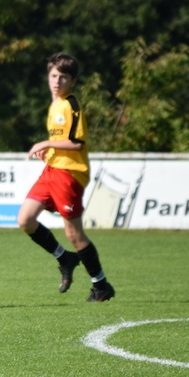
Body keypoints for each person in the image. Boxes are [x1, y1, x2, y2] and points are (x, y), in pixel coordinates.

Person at [17, 52, 116, 302]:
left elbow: (77, 143)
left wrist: (45, 143)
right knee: (25, 219)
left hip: (69, 173)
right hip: (52, 169)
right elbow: (61, 140)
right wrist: (49, 151)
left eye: (63, 77)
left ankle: (101, 284)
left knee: (74, 234)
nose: (57, 81)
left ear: (73, 81)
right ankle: (64, 258)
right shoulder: (55, 105)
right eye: (54, 76)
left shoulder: (71, 104)